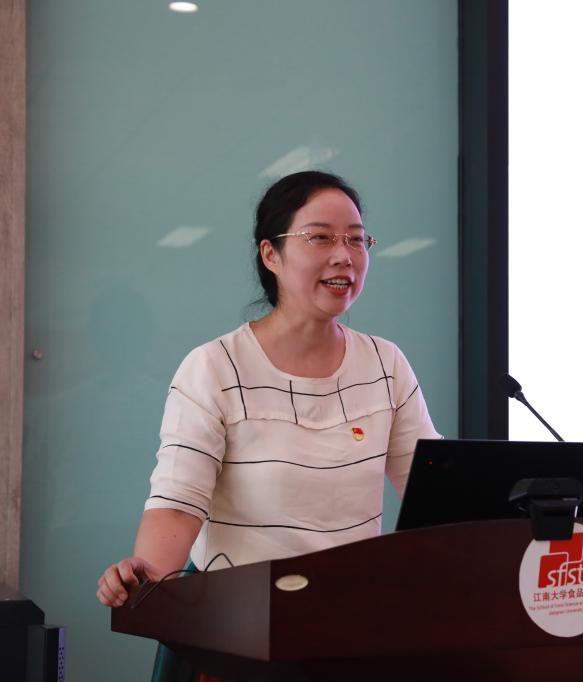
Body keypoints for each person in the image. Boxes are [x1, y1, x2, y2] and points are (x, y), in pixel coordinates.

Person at [96, 171, 440, 674]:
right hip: (235, 633)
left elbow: (433, 494)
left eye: (356, 239)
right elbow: (177, 503)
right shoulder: (215, 367)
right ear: (271, 254)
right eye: (320, 237)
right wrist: (145, 576)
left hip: (349, 627)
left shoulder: (386, 365)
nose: (344, 255)